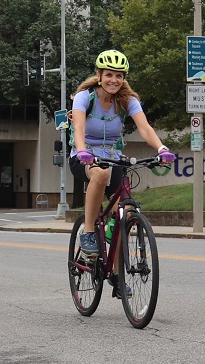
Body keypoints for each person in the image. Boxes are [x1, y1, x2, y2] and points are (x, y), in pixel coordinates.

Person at [69, 50, 176, 260]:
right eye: (109, 74)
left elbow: (144, 128)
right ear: (99, 75)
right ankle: (89, 231)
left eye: (119, 76)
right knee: (99, 175)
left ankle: (117, 275)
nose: (114, 80)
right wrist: (82, 151)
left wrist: (162, 149)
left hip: (113, 157)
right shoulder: (85, 97)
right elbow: (79, 128)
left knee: (125, 213)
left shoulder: (127, 100)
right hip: (84, 156)